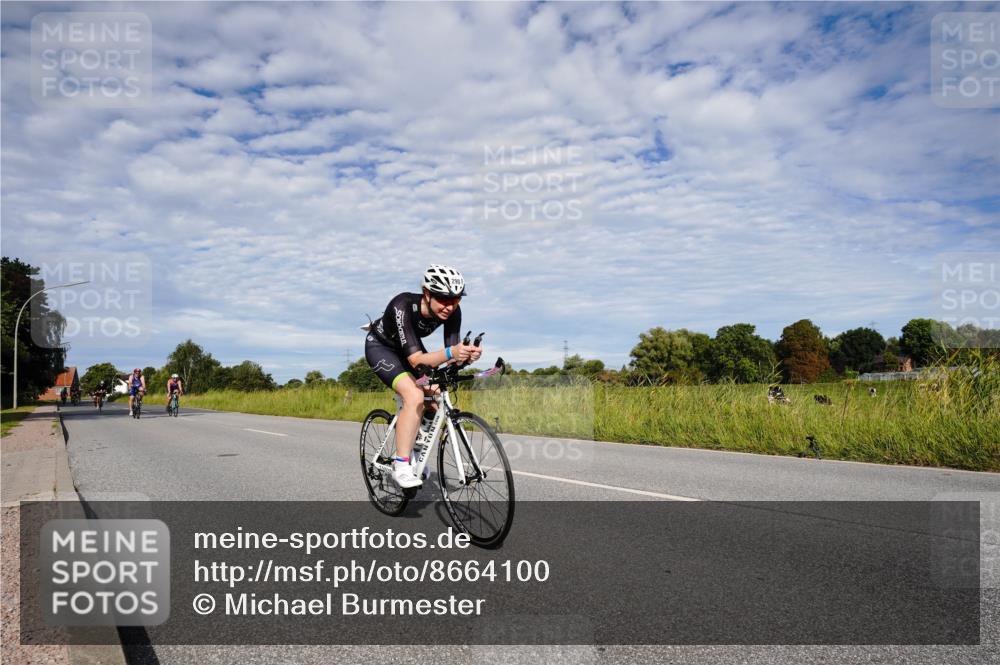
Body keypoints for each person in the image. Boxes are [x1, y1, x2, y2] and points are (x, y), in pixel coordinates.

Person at [364, 265, 482, 488]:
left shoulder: (453, 312)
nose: (450, 306)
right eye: (444, 300)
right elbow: (418, 360)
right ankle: (401, 465)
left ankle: (416, 451)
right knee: (415, 395)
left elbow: (452, 355)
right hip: (383, 348)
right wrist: (452, 352)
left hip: (409, 349)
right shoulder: (403, 305)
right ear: (427, 293)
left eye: (456, 300)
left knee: (436, 396)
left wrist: (467, 356)